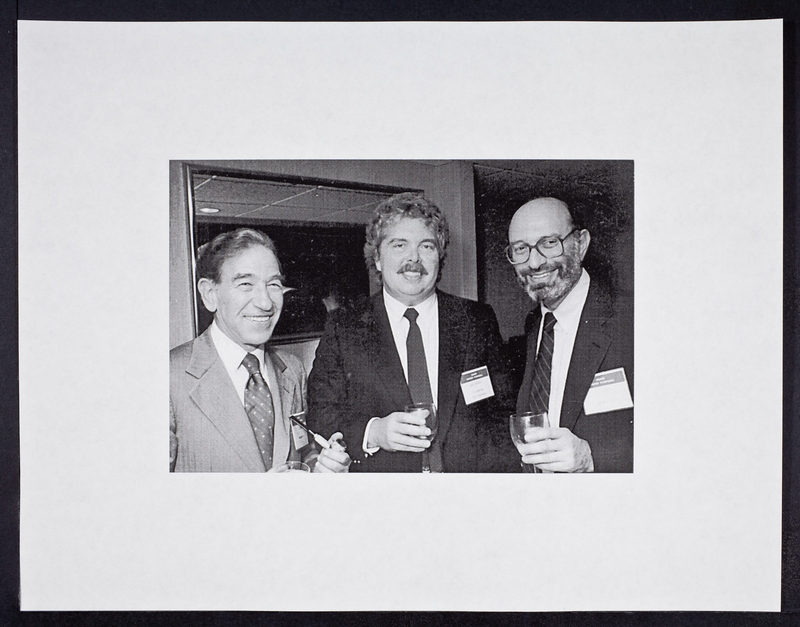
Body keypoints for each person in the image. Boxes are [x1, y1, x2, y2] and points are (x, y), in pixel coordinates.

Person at [307, 192, 511, 472]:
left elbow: (503, 412)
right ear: (377, 258)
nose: (413, 257)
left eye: (426, 246)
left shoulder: (477, 320)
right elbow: (321, 415)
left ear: (440, 256)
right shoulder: (344, 327)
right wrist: (374, 432)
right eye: (399, 245)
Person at [170, 228, 351, 473]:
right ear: (210, 294)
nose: (265, 303)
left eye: (274, 284)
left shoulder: (292, 370)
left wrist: (319, 467)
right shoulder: (168, 377)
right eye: (246, 284)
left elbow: (301, 451)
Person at [507, 197, 633, 472]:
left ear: (581, 243)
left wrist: (592, 458)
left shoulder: (632, 320)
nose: (534, 262)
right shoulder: (534, 325)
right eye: (521, 249)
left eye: (549, 243)